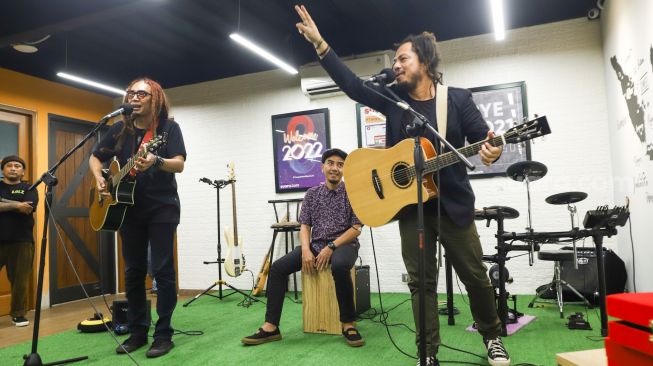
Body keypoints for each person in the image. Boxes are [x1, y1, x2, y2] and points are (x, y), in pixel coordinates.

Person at [294, 5, 509, 366]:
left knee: (475, 277)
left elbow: (486, 142)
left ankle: (492, 336)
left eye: (403, 58)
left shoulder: (456, 99)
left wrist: (493, 150)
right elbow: (352, 85)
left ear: (424, 61)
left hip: (453, 206)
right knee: (420, 283)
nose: (396, 64)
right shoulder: (395, 102)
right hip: (411, 210)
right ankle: (428, 352)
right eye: (395, 60)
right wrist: (320, 45)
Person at [89, 78, 186, 358]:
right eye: (131, 93)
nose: (134, 97)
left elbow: (179, 163)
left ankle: (164, 334)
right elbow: (96, 158)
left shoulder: (168, 129)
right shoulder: (119, 128)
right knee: (132, 271)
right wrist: (99, 178)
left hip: (162, 207)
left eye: (141, 93)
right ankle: (137, 332)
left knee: (163, 270)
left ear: (155, 98)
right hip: (127, 209)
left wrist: (156, 161)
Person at [242, 148, 364, 347]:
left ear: (345, 169)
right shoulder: (312, 194)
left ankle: (348, 324)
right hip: (315, 245)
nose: (335, 168)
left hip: (344, 244)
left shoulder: (352, 194)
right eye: (331, 163)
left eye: (340, 164)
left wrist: (332, 247)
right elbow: (305, 225)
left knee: (340, 266)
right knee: (278, 268)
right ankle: (271, 326)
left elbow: (356, 228)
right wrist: (306, 250)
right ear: (322, 167)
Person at [0, 155, 38, 328]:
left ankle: (18, 314)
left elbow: (28, 207)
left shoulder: (29, 187)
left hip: (22, 241)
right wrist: (16, 205)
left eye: (17, 165)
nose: (13, 168)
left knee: (20, 280)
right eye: (9, 165)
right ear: (3, 170)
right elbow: (21, 207)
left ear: (22, 171)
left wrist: (4, 203)